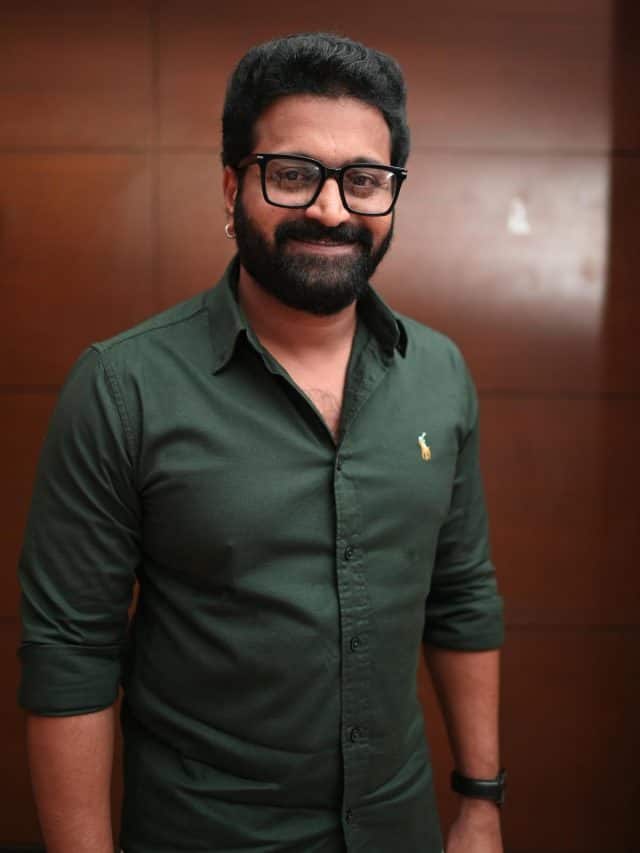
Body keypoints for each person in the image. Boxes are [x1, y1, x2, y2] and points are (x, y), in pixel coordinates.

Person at [18, 32, 505, 853]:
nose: (331, 209)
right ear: (231, 186)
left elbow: (462, 597)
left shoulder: (440, 373)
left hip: (401, 826)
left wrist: (482, 801)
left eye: (364, 180)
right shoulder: (121, 387)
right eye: (293, 173)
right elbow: (70, 655)